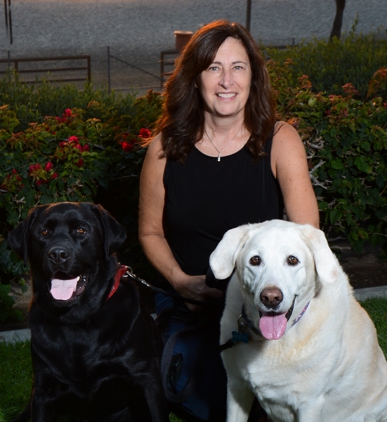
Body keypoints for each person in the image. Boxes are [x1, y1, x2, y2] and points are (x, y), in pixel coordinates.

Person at [139, 19, 319, 421]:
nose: (226, 80)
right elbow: (150, 231)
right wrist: (179, 279)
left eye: (238, 67)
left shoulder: (279, 140)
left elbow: (308, 236)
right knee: (199, 400)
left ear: (253, 77)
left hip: (262, 307)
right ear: (194, 77)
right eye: (213, 67)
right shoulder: (163, 150)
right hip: (192, 306)